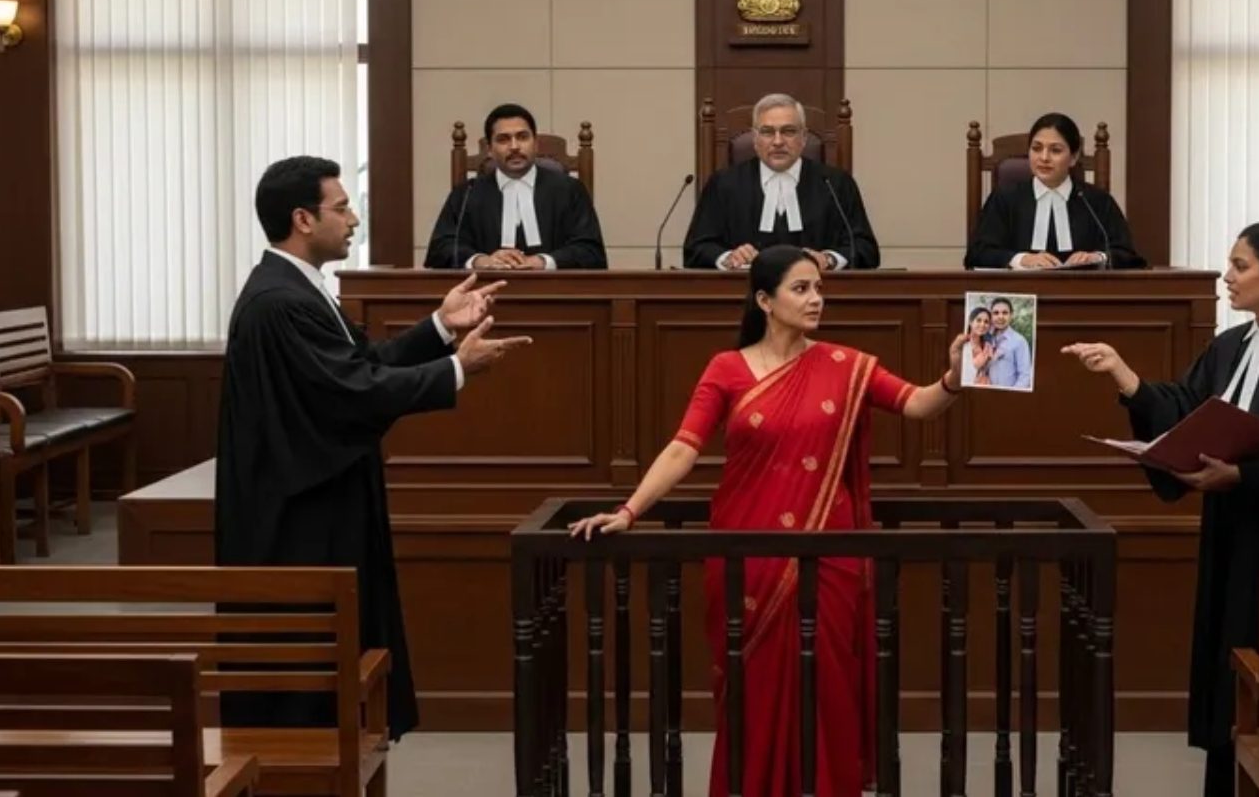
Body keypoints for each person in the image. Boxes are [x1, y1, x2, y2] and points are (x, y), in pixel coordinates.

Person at [569, 244, 965, 797]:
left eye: (819, 288)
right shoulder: (726, 369)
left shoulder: (846, 365)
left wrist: (954, 377)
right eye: (801, 288)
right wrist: (630, 510)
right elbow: (683, 448)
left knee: (827, 684)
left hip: (827, 556)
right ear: (764, 300)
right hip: (747, 558)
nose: (816, 299)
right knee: (751, 686)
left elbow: (918, 404)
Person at [216, 155, 532, 739]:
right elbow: (351, 391)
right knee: (305, 693)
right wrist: (456, 369)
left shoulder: (297, 290)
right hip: (297, 523)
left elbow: (359, 365)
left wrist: (439, 327)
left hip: (321, 506)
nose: (354, 218)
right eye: (341, 208)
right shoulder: (279, 302)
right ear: (303, 219)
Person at [1061, 221, 1259, 797]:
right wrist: (1125, 377)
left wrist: (1243, 474)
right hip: (1236, 536)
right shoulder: (1233, 345)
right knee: (1233, 683)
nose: (1227, 277)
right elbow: (1188, 407)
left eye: (1240, 266)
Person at [684, 93, 880, 270]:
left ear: (804, 137)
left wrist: (828, 259)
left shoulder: (835, 183)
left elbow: (865, 249)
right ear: (755, 139)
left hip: (818, 292)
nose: (778, 141)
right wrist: (729, 258)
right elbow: (696, 249)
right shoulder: (723, 184)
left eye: (788, 131)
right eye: (767, 132)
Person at [423, 103, 608, 270]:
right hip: (482, 292)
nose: (514, 146)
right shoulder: (467, 194)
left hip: (553, 293)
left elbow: (591, 252)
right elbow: (440, 250)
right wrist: (480, 261)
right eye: (503, 139)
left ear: (536, 144)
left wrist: (543, 262)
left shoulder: (570, 190)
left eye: (522, 137)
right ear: (490, 149)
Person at [963, 112, 1144, 270]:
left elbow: (1128, 255)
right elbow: (977, 254)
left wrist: (1097, 258)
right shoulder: (1005, 198)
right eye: (1036, 148)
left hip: (1081, 294)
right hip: (1020, 293)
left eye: (1055, 150)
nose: (1044, 158)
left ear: (1073, 158)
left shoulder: (1095, 201)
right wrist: (1021, 259)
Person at [985, 297, 1033, 389]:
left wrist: (1011, 395)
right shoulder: (988, 339)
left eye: (1005, 313)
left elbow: (1025, 376)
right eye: (996, 313)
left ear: (1011, 315)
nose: (1000, 317)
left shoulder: (1019, 341)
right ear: (991, 316)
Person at [960, 306, 993, 386]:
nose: (982, 324)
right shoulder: (963, 344)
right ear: (971, 322)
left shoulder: (987, 346)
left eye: (986, 322)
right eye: (978, 320)